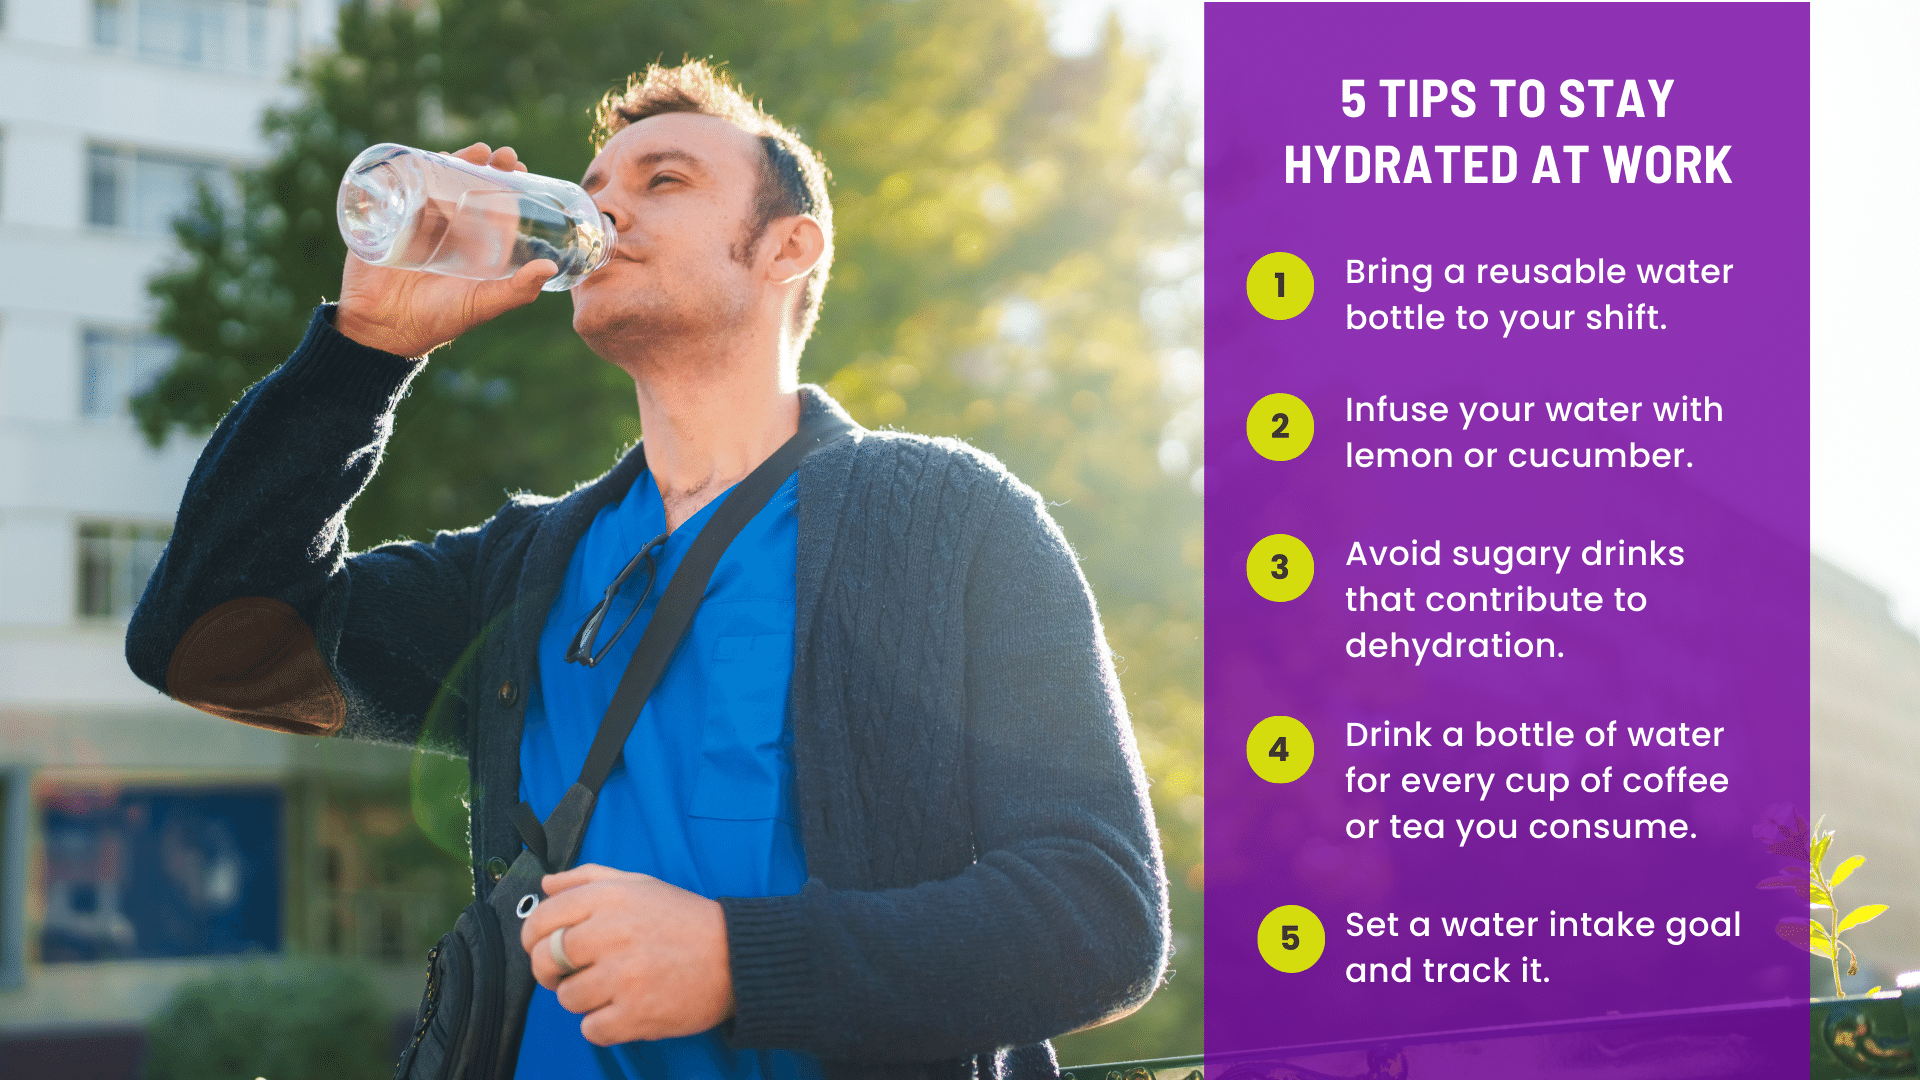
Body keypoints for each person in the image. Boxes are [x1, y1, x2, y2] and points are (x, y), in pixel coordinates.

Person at [125, 60, 1167, 1080]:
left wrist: (736, 961)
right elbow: (207, 645)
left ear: (785, 248)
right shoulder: (526, 571)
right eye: (591, 194)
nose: (605, 213)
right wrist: (363, 353)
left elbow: (1103, 916)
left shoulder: (948, 520)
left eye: (663, 181)